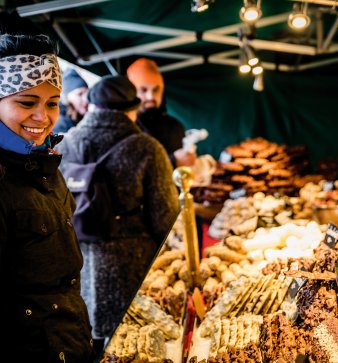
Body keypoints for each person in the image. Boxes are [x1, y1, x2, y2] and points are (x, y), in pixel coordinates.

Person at [56, 75, 180, 351]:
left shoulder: (64, 144)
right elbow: (166, 218)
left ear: (90, 106)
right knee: (130, 347)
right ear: (132, 109)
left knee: (85, 344)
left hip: (76, 267)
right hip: (131, 270)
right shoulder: (147, 148)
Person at [0, 33, 94, 362]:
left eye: (52, 103)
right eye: (26, 102)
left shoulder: (45, 165)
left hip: (70, 339)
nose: (43, 117)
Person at [127, 57, 197, 168]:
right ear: (132, 92)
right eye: (143, 90)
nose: (150, 97)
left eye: (156, 90)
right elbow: (130, 171)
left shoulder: (175, 126)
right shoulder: (127, 129)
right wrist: (173, 161)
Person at [53, 68, 89, 134]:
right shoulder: (59, 122)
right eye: (80, 94)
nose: (86, 99)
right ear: (66, 97)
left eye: (87, 94)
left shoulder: (83, 118)